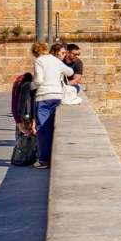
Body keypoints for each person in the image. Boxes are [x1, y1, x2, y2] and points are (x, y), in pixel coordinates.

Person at [30, 41, 72, 169]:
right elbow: (69, 72)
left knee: (42, 129)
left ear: (35, 52)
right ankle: (51, 157)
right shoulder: (55, 60)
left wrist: (31, 86)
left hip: (44, 97)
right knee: (53, 128)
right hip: (57, 96)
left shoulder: (39, 61)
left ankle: (44, 160)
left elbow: (38, 80)